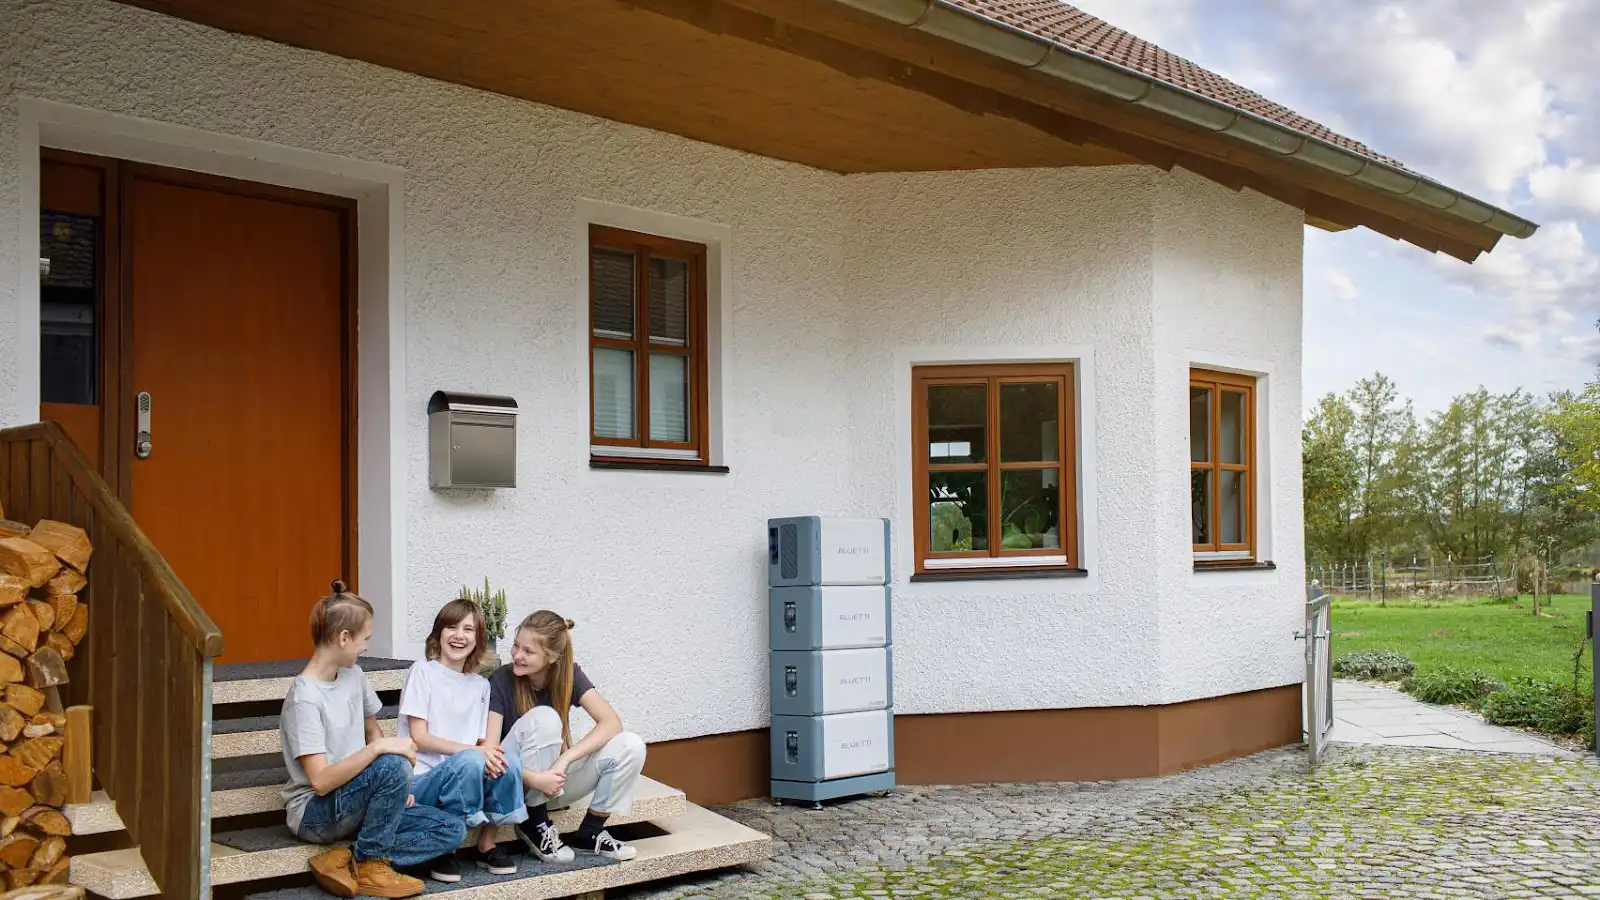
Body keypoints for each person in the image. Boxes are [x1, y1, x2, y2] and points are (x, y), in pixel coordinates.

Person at [281, 581, 465, 899]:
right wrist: (381, 753)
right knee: (392, 761)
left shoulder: (355, 675)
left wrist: (395, 788)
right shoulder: (304, 698)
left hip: (359, 803)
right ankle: (370, 865)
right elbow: (322, 781)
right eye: (364, 639)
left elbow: (373, 732)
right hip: (316, 813)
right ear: (343, 638)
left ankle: (345, 859)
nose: (366, 647)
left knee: (452, 828)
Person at [484, 611, 647, 863]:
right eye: (516, 645)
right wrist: (536, 779)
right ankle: (533, 822)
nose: (517, 655)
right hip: (514, 784)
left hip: (552, 782)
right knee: (546, 717)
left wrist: (565, 760)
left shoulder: (568, 674)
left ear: (551, 657)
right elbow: (490, 752)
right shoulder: (501, 680)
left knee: (631, 746)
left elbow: (611, 722)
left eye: (528, 651)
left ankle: (590, 833)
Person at [398, 598, 527, 882]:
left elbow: (483, 741)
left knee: (509, 763)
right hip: (423, 779)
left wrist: (488, 755)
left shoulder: (480, 685)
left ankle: (486, 844)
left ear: (478, 638)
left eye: (468, 629)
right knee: (471, 758)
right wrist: (473, 752)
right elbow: (419, 737)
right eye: (452, 627)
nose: (459, 635)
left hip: (465, 771)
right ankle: (446, 847)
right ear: (438, 633)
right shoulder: (423, 671)